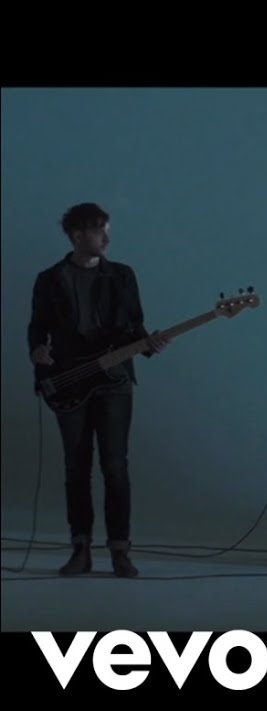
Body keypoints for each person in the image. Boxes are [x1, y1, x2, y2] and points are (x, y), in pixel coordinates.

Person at [28, 202, 168, 578]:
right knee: (76, 467)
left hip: (114, 382)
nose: (107, 239)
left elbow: (135, 325)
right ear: (77, 235)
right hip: (69, 380)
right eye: (99, 231)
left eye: (108, 230)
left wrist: (148, 344)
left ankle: (120, 551)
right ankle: (81, 550)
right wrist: (38, 351)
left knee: (115, 466)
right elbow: (37, 327)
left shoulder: (122, 276)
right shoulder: (50, 279)